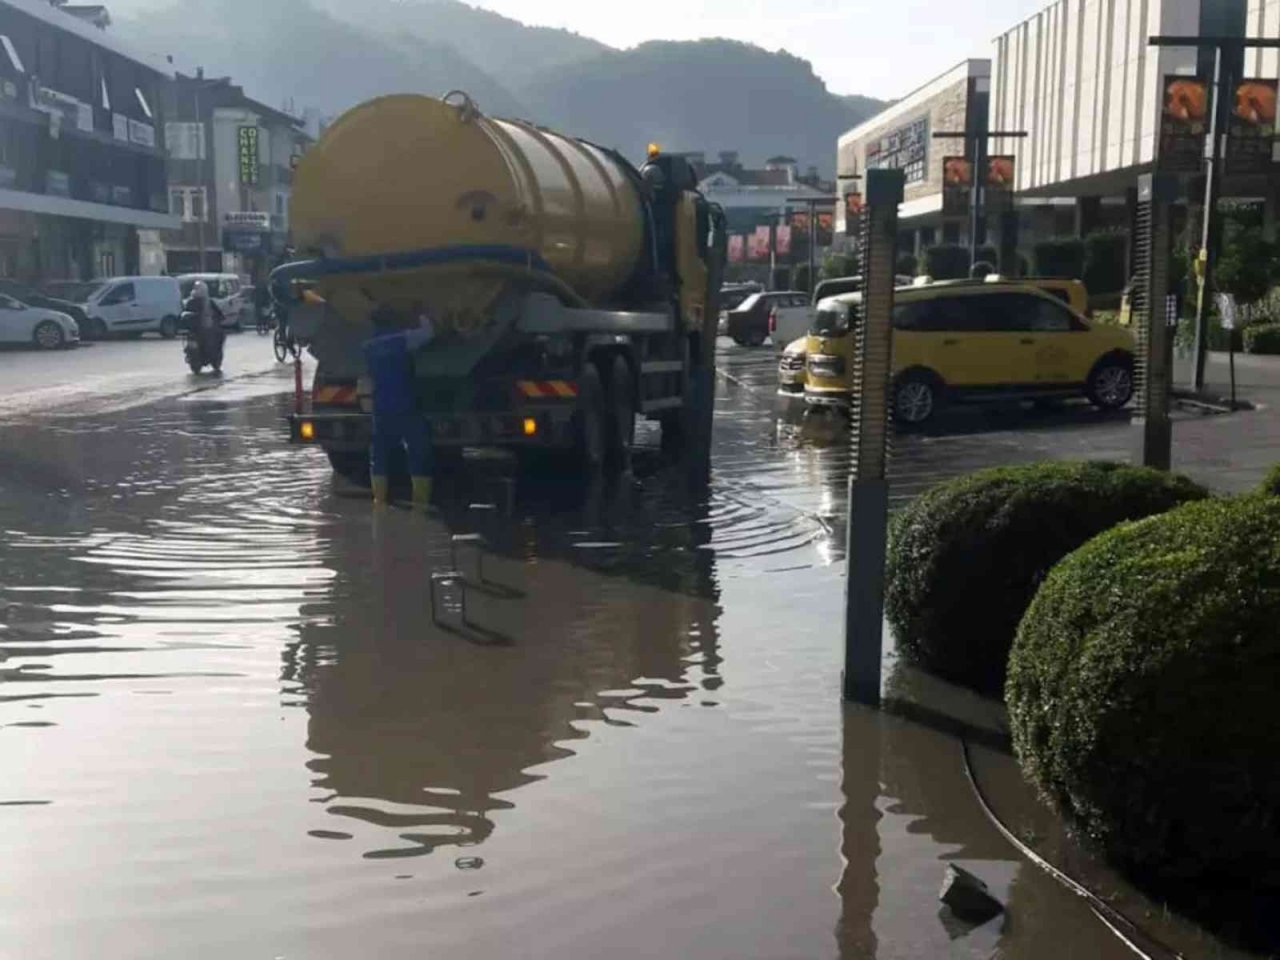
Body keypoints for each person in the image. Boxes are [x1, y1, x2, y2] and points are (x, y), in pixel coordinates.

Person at [363, 305, 435, 505]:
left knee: (379, 454)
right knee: (417, 450)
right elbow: (429, 333)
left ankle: (379, 501)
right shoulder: (402, 339)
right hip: (405, 402)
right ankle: (420, 505)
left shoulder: (369, 346)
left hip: (381, 405)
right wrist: (422, 314)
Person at [183, 279, 225, 368]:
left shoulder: (191, 302)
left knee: (217, 336)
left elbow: (184, 313)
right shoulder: (208, 302)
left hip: (195, 331)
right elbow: (219, 314)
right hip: (203, 330)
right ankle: (212, 356)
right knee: (218, 337)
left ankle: (211, 357)